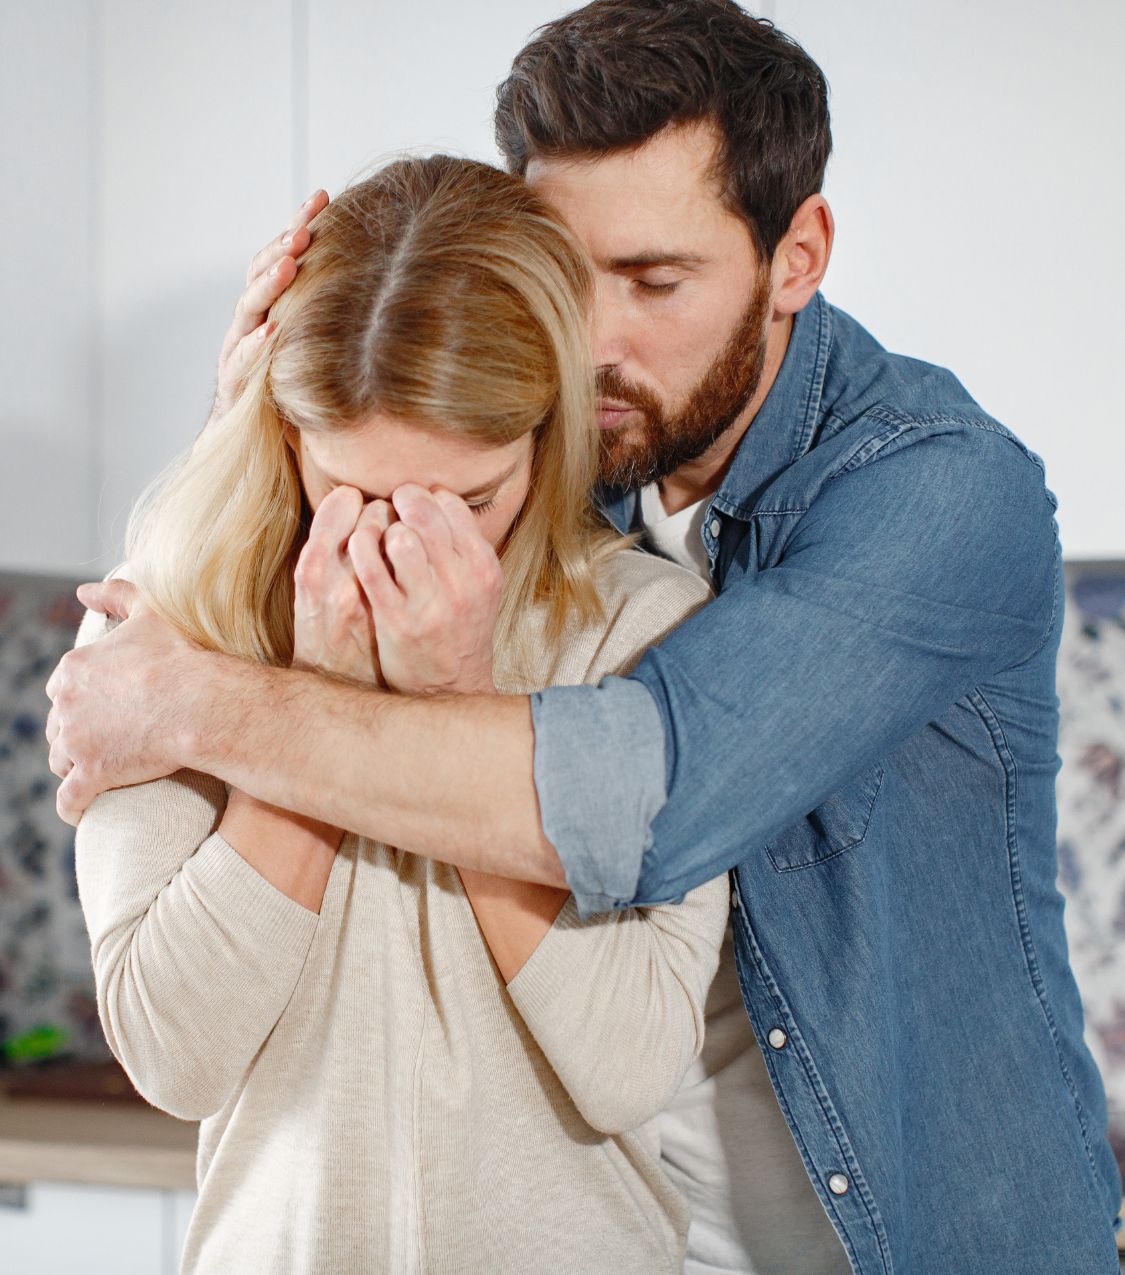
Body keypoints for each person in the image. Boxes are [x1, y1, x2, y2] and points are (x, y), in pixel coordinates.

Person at [48, 2, 1123, 1271]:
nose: (593, 345)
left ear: (798, 255)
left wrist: (191, 701)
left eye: (657, 280)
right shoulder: (554, 473)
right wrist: (255, 440)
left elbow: (638, 786)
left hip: (916, 1239)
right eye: (564, 273)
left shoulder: (942, 496)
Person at [71, 155, 730, 1274]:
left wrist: (453, 711)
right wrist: (315, 706)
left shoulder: (651, 632)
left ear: (546, 435)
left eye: (468, 501)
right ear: (288, 437)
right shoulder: (170, 630)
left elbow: (629, 1060)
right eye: (356, 494)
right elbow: (175, 1056)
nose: (406, 545)